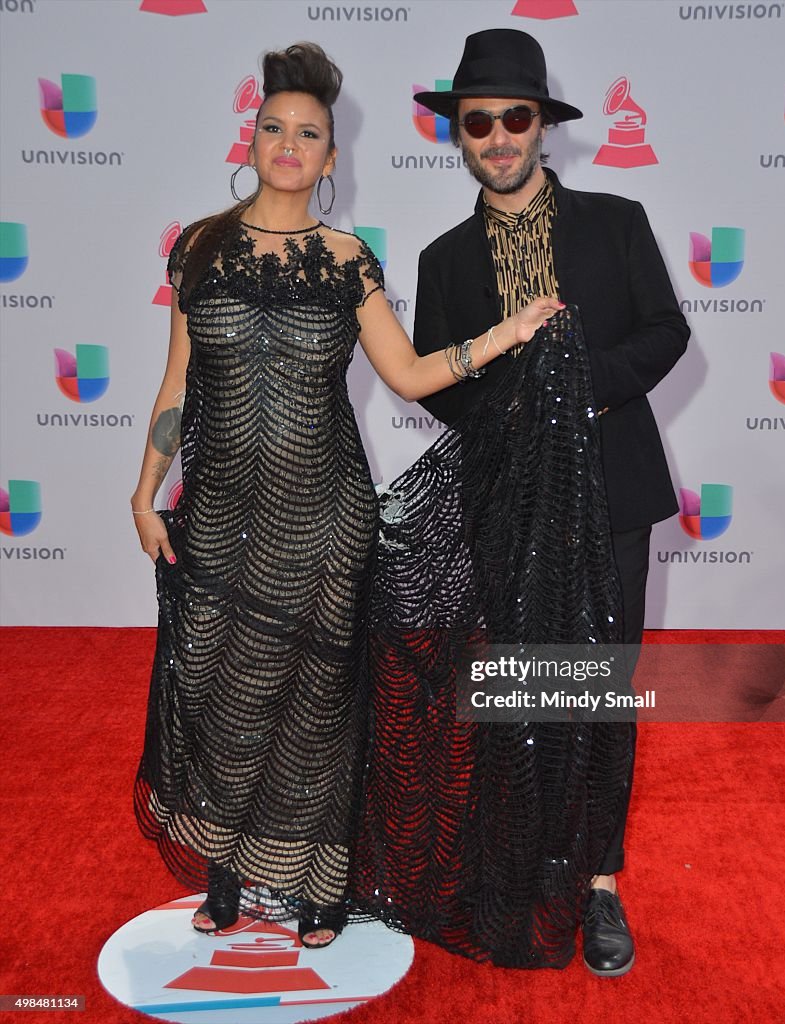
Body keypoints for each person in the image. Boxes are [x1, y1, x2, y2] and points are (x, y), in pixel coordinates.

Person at [131, 41, 560, 950]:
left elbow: (406, 374)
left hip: (327, 523)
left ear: (332, 159)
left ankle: (324, 887)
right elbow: (176, 387)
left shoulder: (345, 259)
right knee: (217, 697)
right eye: (274, 126)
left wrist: (505, 333)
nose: (289, 143)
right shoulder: (199, 248)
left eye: (310, 134)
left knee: (321, 708)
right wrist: (143, 493)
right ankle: (227, 873)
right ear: (251, 138)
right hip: (214, 520)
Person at [407, 29, 690, 975]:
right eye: (477, 120)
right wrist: (519, 417)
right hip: (504, 499)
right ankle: (523, 864)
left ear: (542, 126)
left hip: (612, 488)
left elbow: (665, 333)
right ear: (459, 133)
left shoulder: (617, 221)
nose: (496, 135)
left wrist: (580, 392)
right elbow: (438, 380)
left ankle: (600, 882)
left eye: (513, 118)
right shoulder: (444, 259)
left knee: (600, 689)